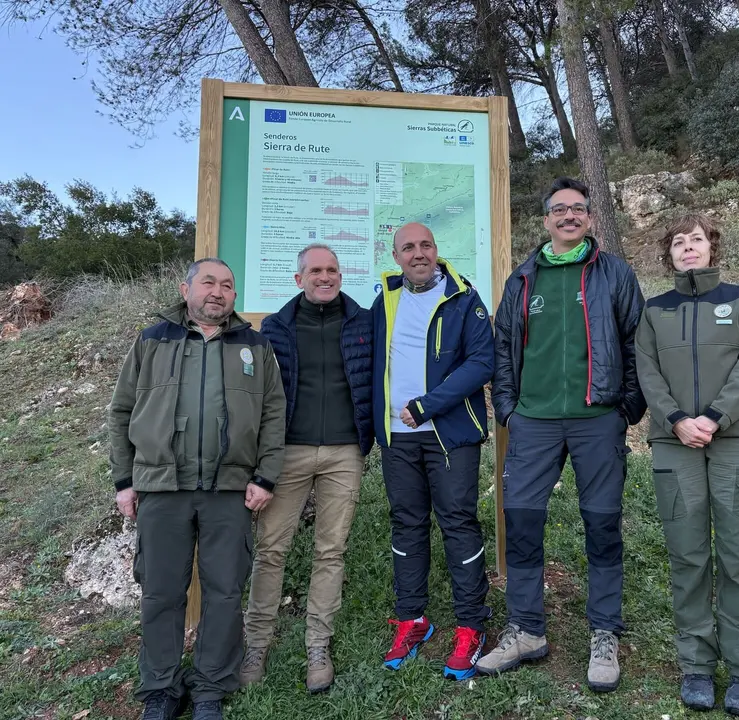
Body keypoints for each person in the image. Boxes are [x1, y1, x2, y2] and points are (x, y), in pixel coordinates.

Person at [478, 177, 646, 693]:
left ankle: (603, 632)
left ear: (590, 219)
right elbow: (503, 348)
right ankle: (526, 629)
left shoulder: (614, 272)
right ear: (545, 219)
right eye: (559, 210)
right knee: (522, 524)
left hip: (599, 418)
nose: (568, 216)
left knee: (602, 525)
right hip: (534, 423)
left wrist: (627, 407)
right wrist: (509, 409)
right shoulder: (523, 279)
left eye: (578, 209)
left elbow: (638, 339)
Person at [108, 258, 285, 720]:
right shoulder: (153, 340)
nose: (218, 292)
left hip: (229, 489)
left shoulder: (255, 345)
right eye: (209, 282)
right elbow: (121, 412)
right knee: (162, 591)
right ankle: (161, 689)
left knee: (225, 591)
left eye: (228, 285)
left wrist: (265, 476)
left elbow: (272, 416)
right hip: (161, 487)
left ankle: (210, 687)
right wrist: (124, 481)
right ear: (185, 288)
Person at [634, 213, 739, 717]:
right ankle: (695, 664)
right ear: (667, 255)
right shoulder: (654, 311)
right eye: (677, 242)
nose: (687, 248)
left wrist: (713, 417)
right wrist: (675, 421)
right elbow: (646, 371)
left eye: (696, 240)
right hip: (675, 445)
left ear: (712, 248)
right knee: (688, 558)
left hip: (735, 441)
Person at [240, 244, 373, 693]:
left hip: (344, 454)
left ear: (341, 275)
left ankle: (318, 645)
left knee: (330, 552)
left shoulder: (363, 322)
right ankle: (255, 644)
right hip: (287, 454)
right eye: (315, 270)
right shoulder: (274, 328)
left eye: (332, 269)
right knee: (271, 551)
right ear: (299, 279)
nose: (325, 276)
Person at [371, 222, 494, 680]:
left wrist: (427, 405)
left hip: (448, 433)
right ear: (397, 255)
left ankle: (471, 625)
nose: (418, 253)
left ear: (436, 250)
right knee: (406, 524)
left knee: (458, 523)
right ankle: (412, 620)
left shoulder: (464, 299)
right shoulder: (384, 301)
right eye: (409, 247)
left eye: (425, 245)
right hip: (396, 438)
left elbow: (482, 361)